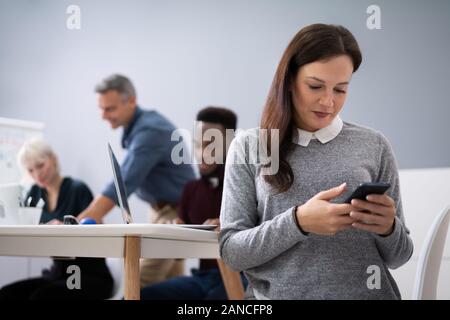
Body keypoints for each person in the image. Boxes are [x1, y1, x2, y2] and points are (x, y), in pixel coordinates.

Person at [219, 24, 414, 300]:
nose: (328, 102)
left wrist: (388, 228)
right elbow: (232, 253)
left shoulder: (374, 144)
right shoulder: (249, 146)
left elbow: (400, 256)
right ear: (289, 80)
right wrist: (298, 222)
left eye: (340, 90)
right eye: (315, 86)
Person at [78, 74, 196, 287]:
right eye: (101, 108)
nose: (103, 115)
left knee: (138, 283)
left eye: (110, 108)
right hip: (160, 210)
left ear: (131, 101)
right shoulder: (139, 126)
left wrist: (81, 223)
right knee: (173, 286)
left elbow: (121, 185)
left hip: (174, 214)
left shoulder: (151, 130)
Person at [141, 106, 246, 300]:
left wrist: (233, 229)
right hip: (202, 279)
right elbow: (180, 256)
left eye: (210, 144)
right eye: (198, 144)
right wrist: (175, 232)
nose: (202, 153)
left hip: (242, 277)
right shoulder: (191, 189)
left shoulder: (247, 185)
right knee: (138, 296)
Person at [0, 138, 113, 300]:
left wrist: (67, 228)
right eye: (30, 170)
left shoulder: (77, 190)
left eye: (40, 166)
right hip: (59, 274)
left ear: (53, 159)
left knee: (42, 297)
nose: (37, 174)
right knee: (7, 293)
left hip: (87, 275)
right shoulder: (34, 194)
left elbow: (99, 236)